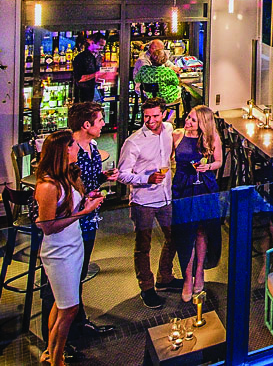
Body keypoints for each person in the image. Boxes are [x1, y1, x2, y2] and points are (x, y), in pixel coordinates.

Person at [41, 103, 117, 353]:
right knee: (59, 288)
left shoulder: (92, 148)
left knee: (77, 278)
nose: (103, 124)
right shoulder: (66, 158)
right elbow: (50, 218)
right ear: (86, 125)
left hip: (85, 224)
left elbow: (84, 186)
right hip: (69, 230)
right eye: (99, 120)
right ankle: (55, 343)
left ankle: (77, 325)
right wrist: (84, 207)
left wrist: (103, 179)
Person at [34, 130, 105, 366]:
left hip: (73, 246)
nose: (77, 147)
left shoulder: (66, 176)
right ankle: (56, 360)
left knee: (60, 303)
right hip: (59, 252)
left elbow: (68, 210)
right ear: (64, 150)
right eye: (73, 144)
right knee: (69, 308)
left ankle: (53, 354)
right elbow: (47, 226)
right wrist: (84, 212)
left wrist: (87, 200)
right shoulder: (48, 185)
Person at [115, 97, 181, 309]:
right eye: (146, 116)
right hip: (143, 200)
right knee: (143, 245)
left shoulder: (169, 129)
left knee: (175, 237)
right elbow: (122, 175)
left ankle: (165, 276)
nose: (150, 120)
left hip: (165, 196)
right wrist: (146, 179)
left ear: (163, 114)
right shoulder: (133, 141)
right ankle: (146, 287)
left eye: (154, 116)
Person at [171, 106, 223, 303]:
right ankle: (187, 277)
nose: (187, 122)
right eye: (188, 118)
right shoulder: (177, 135)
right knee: (185, 234)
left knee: (201, 231)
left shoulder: (211, 137)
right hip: (183, 186)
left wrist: (207, 166)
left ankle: (199, 272)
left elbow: (218, 161)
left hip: (204, 186)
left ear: (202, 122)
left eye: (192, 120)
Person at [133, 46, 182, 125]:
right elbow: (175, 82)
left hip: (149, 98)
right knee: (180, 94)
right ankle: (170, 121)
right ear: (164, 60)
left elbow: (137, 80)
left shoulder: (144, 70)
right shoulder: (168, 71)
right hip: (165, 99)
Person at [71, 34, 105, 103]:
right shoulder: (80, 57)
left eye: (103, 46)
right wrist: (97, 74)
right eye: (100, 45)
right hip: (84, 97)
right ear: (92, 43)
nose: (102, 48)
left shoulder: (98, 57)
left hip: (96, 93)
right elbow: (79, 78)